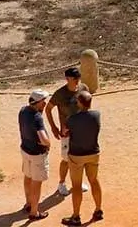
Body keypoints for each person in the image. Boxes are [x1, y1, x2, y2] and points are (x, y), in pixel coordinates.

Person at [45, 67, 90, 197]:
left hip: (80, 131)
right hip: (66, 132)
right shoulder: (60, 94)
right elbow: (48, 109)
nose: (77, 81)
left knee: (80, 158)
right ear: (67, 79)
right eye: (74, 78)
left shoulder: (83, 89)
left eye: (78, 78)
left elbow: (87, 106)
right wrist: (53, 127)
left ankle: (77, 182)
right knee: (66, 159)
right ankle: (62, 183)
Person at [62, 90, 103, 226]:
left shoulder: (72, 119)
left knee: (76, 186)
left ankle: (76, 216)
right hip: (93, 153)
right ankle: (98, 210)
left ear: (79, 103)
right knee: (94, 181)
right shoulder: (96, 115)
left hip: (76, 156)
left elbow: (65, 132)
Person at [19, 89, 53, 221]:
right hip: (37, 154)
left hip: (25, 150)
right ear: (37, 103)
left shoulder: (23, 111)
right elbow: (43, 139)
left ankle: (28, 203)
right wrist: (48, 144)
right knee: (36, 182)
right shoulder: (37, 117)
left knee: (27, 177)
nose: (45, 104)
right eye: (43, 102)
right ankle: (34, 212)